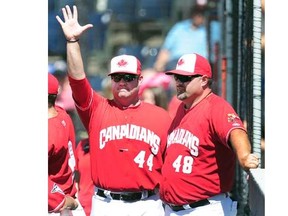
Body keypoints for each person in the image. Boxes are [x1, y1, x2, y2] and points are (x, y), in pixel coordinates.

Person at [56, 5, 172, 216]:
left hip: (148, 203)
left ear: (140, 80)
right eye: (117, 78)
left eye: (128, 78)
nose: (122, 83)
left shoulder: (162, 118)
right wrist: (72, 42)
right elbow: (77, 80)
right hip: (106, 204)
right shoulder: (97, 109)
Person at [159, 53, 260, 216]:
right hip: (174, 209)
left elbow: (235, 131)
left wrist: (244, 155)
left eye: (185, 78)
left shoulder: (216, 107)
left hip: (205, 208)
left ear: (204, 80)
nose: (178, 83)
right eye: (176, 77)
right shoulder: (182, 108)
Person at [48, 73, 78, 214]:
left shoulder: (48, 132)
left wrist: (62, 201)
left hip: (55, 202)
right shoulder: (61, 114)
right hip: (65, 194)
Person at [153, 5, 208, 72]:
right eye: (196, 13)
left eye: (201, 14)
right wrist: (159, 65)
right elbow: (166, 50)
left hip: (197, 65)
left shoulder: (208, 31)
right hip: (176, 62)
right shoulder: (179, 27)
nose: (198, 16)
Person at [74, 138, 94, 216]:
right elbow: (76, 174)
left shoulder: (109, 143)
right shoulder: (82, 145)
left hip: (103, 204)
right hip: (81, 208)